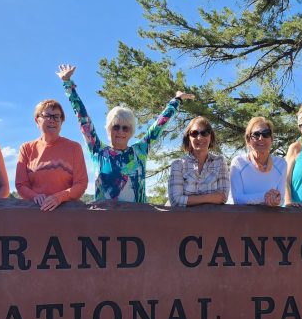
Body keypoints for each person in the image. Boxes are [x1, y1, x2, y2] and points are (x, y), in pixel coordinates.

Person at [57, 64, 194, 203]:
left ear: (131, 131)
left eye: (125, 128)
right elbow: (83, 118)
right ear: (108, 128)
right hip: (103, 221)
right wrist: (67, 84)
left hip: (137, 221)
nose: (120, 132)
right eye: (116, 127)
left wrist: (176, 100)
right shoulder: (98, 151)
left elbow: (159, 125)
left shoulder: (140, 151)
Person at [15, 99, 88, 211]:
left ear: (62, 121)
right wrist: (35, 196)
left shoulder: (74, 148)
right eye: (47, 116)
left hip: (67, 214)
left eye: (56, 117)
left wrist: (60, 197)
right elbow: (21, 184)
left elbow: (81, 183)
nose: (52, 120)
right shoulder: (26, 149)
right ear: (37, 120)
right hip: (35, 213)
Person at [168, 116, 230, 207]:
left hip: (212, 220)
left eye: (204, 133)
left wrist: (187, 199)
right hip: (184, 220)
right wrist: (211, 198)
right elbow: (175, 200)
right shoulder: (178, 165)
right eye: (194, 133)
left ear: (210, 136)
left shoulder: (220, 162)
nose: (199, 137)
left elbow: (223, 197)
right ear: (188, 137)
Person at [231, 117, 286, 206]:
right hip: (245, 219)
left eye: (266, 134)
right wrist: (264, 196)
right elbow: (237, 199)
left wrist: (277, 200)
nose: (261, 138)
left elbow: (282, 200)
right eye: (256, 134)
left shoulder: (281, 164)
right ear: (248, 140)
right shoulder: (238, 163)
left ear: (271, 139)